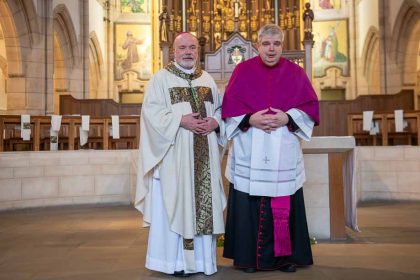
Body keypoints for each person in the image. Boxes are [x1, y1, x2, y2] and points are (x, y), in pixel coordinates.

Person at [221, 24, 320, 273]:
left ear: (282, 46)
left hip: (282, 149)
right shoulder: (242, 71)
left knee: (283, 201)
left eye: (276, 44)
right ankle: (248, 259)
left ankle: (284, 258)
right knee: (248, 203)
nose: (271, 49)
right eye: (266, 44)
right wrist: (249, 119)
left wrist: (288, 118)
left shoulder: (295, 74)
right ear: (257, 46)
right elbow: (228, 109)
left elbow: (310, 107)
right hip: (250, 146)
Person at [134, 32, 226, 277]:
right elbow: (151, 115)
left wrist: (215, 122)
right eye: (183, 47)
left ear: (198, 51)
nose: (188, 52)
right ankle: (174, 263)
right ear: (173, 51)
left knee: (201, 207)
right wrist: (179, 120)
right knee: (175, 204)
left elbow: (219, 108)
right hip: (175, 159)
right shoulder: (160, 80)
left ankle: (204, 262)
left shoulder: (206, 78)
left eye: (192, 48)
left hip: (204, 154)